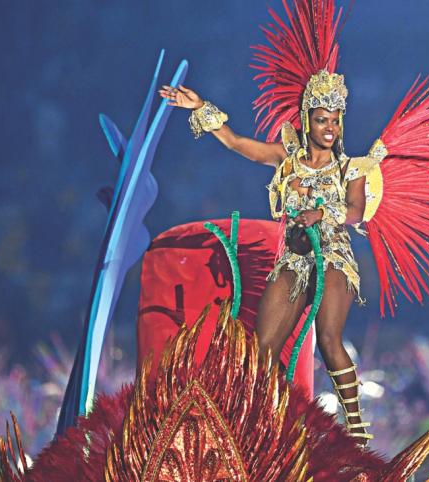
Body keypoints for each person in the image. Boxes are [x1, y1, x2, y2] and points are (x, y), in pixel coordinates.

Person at [160, 70, 380, 444]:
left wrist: (323, 214)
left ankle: (356, 430)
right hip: (293, 259)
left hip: (333, 258)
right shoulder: (287, 159)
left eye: (335, 120)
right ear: (306, 119)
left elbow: (356, 211)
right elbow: (236, 144)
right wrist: (200, 107)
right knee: (261, 351)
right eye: (321, 119)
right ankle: (267, 425)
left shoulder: (352, 168)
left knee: (328, 339)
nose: (329, 128)